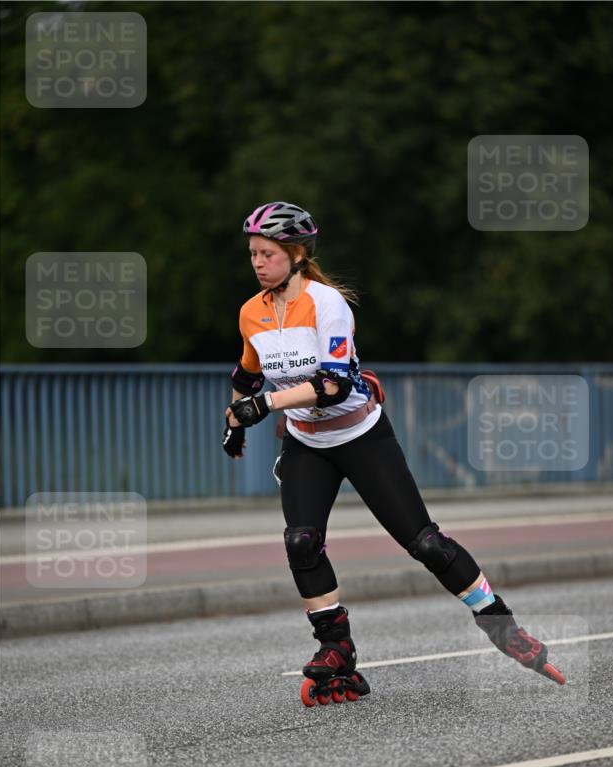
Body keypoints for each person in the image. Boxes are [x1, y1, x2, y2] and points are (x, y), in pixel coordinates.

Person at [223, 201, 566, 706]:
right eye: (252, 253)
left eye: (267, 253)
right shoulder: (251, 312)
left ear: (296, 254)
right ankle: (336, 650)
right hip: (307, 443)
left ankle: (501, 626)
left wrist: (265, 404)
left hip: (361, 436)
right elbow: (247, 375)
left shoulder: (328, 304)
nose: (257, 262)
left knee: (425, 543)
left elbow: (334, 385)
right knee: (300, 542)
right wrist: (235, 420)